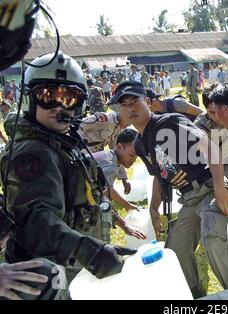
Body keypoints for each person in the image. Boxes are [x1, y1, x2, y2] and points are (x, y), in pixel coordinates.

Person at [0, 52, 136, 290]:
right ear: (29, 99)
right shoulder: (33, 152)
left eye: (69, 98)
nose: (58, 106)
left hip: (66, 269)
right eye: (47, 96)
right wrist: (87, 250)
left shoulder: (61, 142)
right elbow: (36, 221)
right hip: (47, 277)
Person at [110, 81, 228, 299]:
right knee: (175, 253)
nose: (131, 109)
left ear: (148, 102)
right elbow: (159, 178)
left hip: (209, 188)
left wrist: (220, 188)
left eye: (135, 102)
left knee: (214, 237)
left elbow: (211, 148)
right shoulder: (140, 143)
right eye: (124, 106)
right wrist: (153, 209)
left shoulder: (169, 122)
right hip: (188, 199)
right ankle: (196, 297)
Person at [93, 128, 147, 242]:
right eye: (132, 155)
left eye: (137, 156)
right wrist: (124, 226)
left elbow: (108, 190)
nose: (134, 160)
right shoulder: (110, 166)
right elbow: (104, 198)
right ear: (119, 147)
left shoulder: (110, 156)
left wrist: (124, 180)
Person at [78, 106, 132, 195]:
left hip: (91, 157)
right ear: (122, 114)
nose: (129, 124)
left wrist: (124, 178)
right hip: (80, 152)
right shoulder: (105, 119)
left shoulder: (117, 130)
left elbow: (118, 154)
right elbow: (80, 126)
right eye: (129, 120)